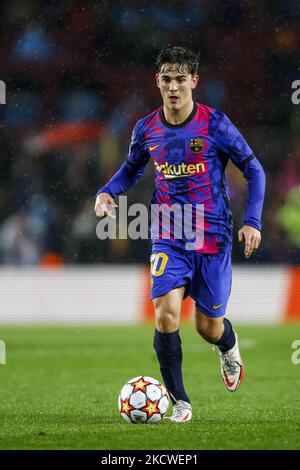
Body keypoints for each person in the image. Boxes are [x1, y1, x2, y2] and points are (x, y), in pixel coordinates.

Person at [94, 47, 266, 423]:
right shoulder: (147, 128)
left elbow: (254, 170)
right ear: (158, 81)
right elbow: (130, 169)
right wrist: (107, 191)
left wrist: (252, 221)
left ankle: (227, 344)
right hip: (169, 235)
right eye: (167, 79)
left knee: (207, 327)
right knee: (166, 314)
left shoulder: (215, 125)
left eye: (180, 79)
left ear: (193, 82)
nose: (173, 87)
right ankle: (180, 402)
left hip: (213, 238)